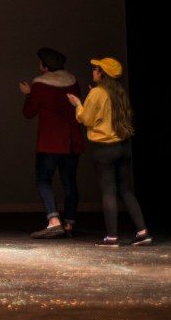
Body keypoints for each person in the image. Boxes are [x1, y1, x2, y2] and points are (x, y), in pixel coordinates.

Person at [67, 57, 152, 247]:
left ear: (102, 73)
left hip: (105, 149)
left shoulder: (97, 93)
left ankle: (112, 237)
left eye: (96, 69)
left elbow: (86, 119)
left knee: (108, 192)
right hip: (123, 147)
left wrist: (78, 104)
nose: (93, 71)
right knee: (126, 190)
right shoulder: (119, 92)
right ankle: (143, 232)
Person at [18, 47, 83, 238]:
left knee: (43, 179)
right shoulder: (73, 82)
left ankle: (54, 220)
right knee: (69, 182)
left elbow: (29, 113)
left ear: (45, 67)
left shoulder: (40, 85)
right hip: (71, 140)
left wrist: (28, 94)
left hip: (50, 142)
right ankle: (70, 223)